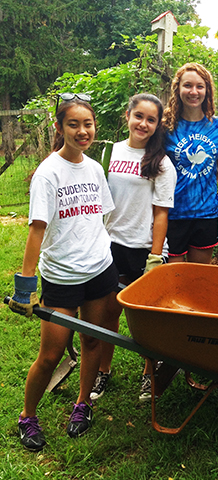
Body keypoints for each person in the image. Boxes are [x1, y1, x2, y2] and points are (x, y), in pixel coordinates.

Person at [9, 94, 119, 451]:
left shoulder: (95, 169)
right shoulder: (48, 174)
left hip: (100, 269)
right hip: (62, 276)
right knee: (51, 353)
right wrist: (25, 287)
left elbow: (100, 216)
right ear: (60, 128)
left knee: (91, 341)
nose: (82, 130)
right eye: (73, 124)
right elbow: (37, 230)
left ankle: (82, 403)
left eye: (87, 124)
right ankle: (28, 416)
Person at [91, 93, 177, 402]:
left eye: (151, 119)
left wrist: (155, 256)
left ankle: (149, 372)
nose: (143, 123)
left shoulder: (162, 163)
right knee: (109, 311)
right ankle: (103, 370)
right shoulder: (109, 154)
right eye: (138, 116)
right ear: (128, 116)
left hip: (144, 248)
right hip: (111, 245)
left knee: (146, 319)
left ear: (157, 125)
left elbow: (161, 212)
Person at [163, 63, 218, 264]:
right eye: (188, 85)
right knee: (174, 277)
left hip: (205, 214)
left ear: (207, 91)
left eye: (200, 86)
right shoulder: (166, 127)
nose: (193, 92)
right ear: (178, 89)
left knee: (198, 278)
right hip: (172, 213)